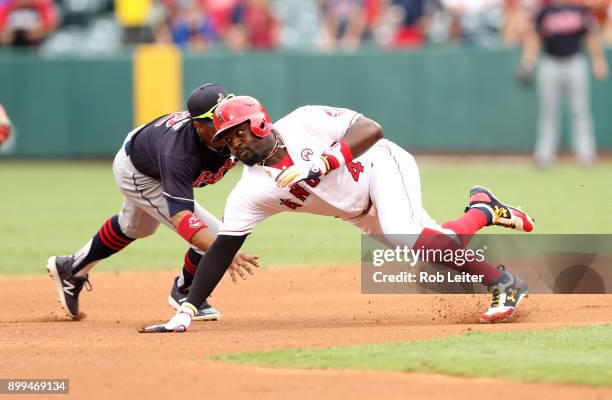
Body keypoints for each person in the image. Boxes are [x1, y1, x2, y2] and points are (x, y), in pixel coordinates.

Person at [140, 95, 536, 333]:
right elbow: (223, 249)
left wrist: (325, 163)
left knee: (404, 233)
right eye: (227, 139)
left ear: (260, 123)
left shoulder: (303, 121)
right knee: (433, 246)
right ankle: (484, 208)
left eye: (240, 132)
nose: (236, 143)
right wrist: (188, 310)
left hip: (380, 167)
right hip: (355, 210)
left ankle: (505, 283)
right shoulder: (251, 191)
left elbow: (372, 129)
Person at [46, 84, 260, 321]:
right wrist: (223, 254)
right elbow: (182, 217)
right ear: (198, 125)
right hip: (141, 173)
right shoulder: (180, 154)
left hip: (148, 146)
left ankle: (71, 268)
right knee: (214, 237)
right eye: (215, 122)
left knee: (136, 228)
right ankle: (185, 291)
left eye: (225, 116)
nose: (224, 125)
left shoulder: (236, 127)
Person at [517, 0, 609, 167]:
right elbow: (534, 38)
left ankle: (586, 154)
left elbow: (590, 36)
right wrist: (528, 62)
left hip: (575, 61)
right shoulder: (545, 11)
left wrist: (598, 60)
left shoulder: (579, 9)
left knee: (580, 109)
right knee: (549, 110)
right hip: (550, 62)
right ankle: (545, 155)